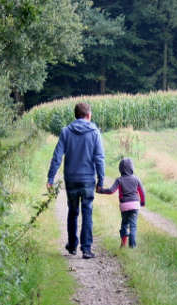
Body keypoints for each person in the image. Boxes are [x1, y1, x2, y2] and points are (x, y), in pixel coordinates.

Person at [47, 102, 105, 259]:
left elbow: (57, 156)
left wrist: (51, 178)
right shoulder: (95, 132)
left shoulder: (66, 131)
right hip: (87, 180)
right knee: (87, 212)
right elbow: (99, 158)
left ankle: (72, 245)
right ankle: (86, 249)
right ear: (88, 115)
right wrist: (101, 180)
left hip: (71, 179)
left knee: (72, 212)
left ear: (76, 115)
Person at [97, 158, 145, 248]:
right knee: (133, 226)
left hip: (124, 206)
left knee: (124, 224)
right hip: (135, 205)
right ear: (132, 168)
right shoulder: (136, 179)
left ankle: (123, 243)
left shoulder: (119, 180)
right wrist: (142, 202)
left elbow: (111, 190)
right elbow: (142, 192)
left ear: (120, 169)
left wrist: (101, 190)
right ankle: (132, 246)